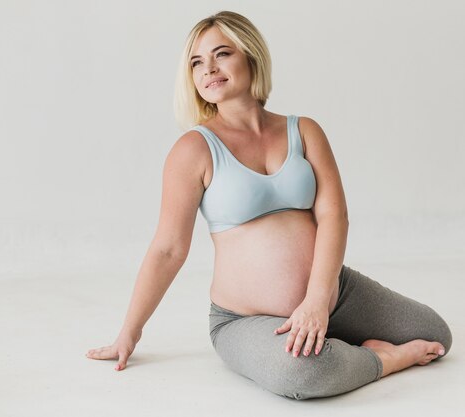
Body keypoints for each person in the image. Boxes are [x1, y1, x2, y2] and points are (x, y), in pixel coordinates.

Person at [85, 10, 452, 400]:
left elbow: (333, 216)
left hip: (330, 293)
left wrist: (316, 300)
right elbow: (168, 248)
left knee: (433, 333)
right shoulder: (193, 150)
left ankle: (325, 332)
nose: (208, 68)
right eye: (196, 62)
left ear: (251, 56)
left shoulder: (304, 130)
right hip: (245, 320)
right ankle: (383, 359)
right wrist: (130, 331)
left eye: (221, 53)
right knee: (303, 374)